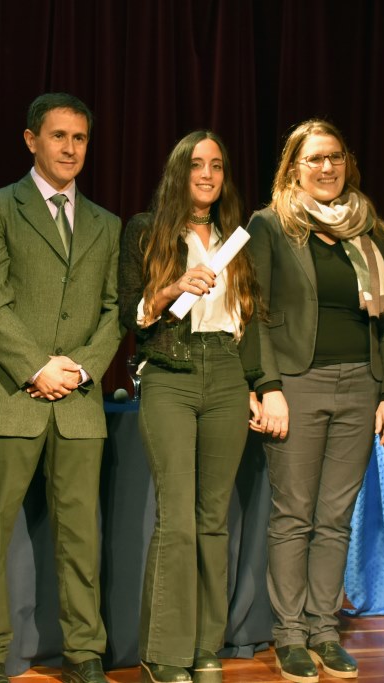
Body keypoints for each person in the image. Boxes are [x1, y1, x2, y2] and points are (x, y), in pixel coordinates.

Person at [0, 93, 123, 683]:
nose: (70, 148)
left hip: (78, 403)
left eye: (79, 138)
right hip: (9, 397)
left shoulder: (107, 224)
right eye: (59, 136)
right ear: (31, 140)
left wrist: (80, 369)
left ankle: (85, 651)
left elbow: (114, 310)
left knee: (81, 539)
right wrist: (36, 367)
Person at [247, 119, 384, 682]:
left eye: (335, 156)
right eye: (314, 158)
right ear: (294, 167)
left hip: (361, 385)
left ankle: (323, 629)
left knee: (335, 517)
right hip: (297, 384)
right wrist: (267, 385)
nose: (326, 167)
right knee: (294, 514)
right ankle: (290, 634)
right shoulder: (270, 225)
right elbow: (254, 312)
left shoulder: (369, 230)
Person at [118, 131, 262, 683]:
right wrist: (171, 288)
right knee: (176, 517)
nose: (207, 174)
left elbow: (251, 319)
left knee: (213, 519)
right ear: (179, 172)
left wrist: (256, 384)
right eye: (197, 164)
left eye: (217, 166)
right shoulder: (146, 230)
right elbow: (131, 315)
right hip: (169, 373)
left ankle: (205, 647)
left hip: (226, 371)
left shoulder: (237, 238)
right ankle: (164, 652)